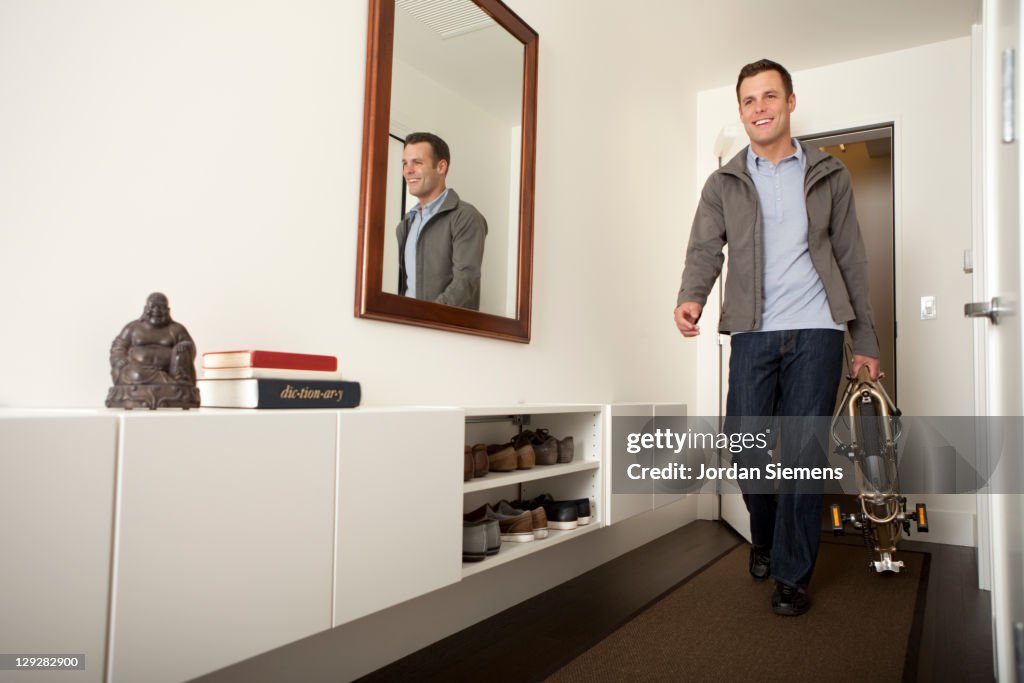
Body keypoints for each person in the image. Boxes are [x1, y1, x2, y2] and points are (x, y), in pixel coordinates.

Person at [673, 59, 881, 616]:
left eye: (769, 96)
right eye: (748, 100)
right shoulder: (725, 182)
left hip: (817, 329)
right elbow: (703, 249)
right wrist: (691, 295)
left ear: (790, 101)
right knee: (745, 448)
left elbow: (852, 259)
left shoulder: (828, 175)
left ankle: (792, 574)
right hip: (753, 331)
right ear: (740, 111)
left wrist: (866, 341)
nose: (759, 108)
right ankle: (763, 535)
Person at [397, 132, 487, 310]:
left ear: (441, 167)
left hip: (443, 331)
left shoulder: (465, 216)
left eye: (418, 162)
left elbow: (466, 281)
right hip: (407, 328)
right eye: (405, 163)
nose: (408, 170)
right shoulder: (406, 224)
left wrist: (427, 316)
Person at [106, 292, 200, 409]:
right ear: (146, 309)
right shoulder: (133, 327)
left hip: (171, 371)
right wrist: (119, 359)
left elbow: (191, 348)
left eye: (161, 307)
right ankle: (170, 383)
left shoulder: (176, 329)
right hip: (139, 371)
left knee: (183, 349)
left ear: (167, 309)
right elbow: (118, 346)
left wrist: (184, 346)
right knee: (136, 374)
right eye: (153, 307)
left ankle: (175, 381)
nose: (157, 311)